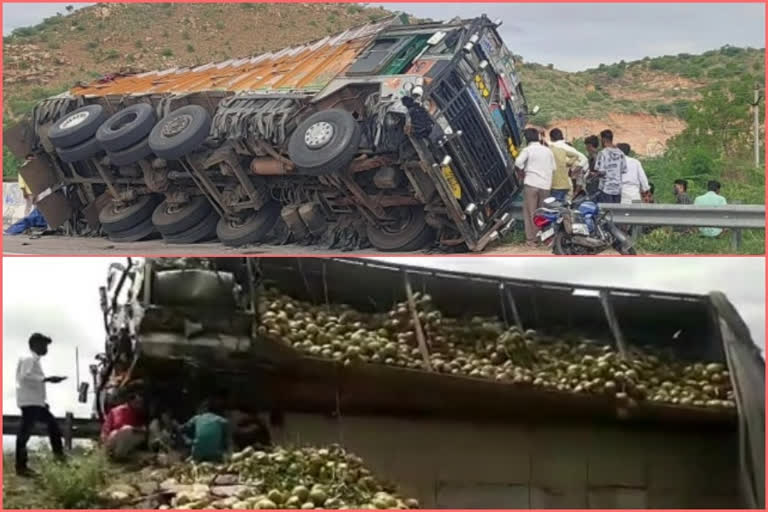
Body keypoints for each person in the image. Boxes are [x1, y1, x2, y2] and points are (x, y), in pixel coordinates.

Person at [15, 333, 67, 477]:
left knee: (52, 427)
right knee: (25, 434)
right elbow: (25, 377)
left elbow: (29, 381)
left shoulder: (32, 359)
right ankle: (21, 467)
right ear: (35, 344)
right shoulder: (29, 358)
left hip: (35, 403)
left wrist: (42, 402)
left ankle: (60, 459)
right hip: (30, 404)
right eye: (44, 345)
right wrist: (47, 379)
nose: (46, 348)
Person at [514, 127, 555, 246]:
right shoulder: (548, 151)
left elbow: (517, 162)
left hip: (531, 183)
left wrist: (521, 171)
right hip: (545, 185)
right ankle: (544, 238)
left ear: (527, 139)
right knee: (543, 213)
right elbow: (553, 168)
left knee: (530, 212)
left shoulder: (528, 150)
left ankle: (532, 240)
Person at [101, 393, 147, 461]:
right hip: (115, 438)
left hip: (132, 436)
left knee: (127, 430)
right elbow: (106, 429)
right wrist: (105, 440)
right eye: (137, 402)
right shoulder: (115, 411)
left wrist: (133, 429)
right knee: (116, 432)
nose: (139, 405)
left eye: (140, 403)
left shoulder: (140, 413)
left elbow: (145, 430)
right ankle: (116, 455)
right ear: (130, 401)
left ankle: (119, 456)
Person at [549, 128, 588, 200]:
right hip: (568, 183)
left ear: (551, 138)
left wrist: (574, 172)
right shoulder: (568, 147)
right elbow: (584, 159)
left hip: (559, 183)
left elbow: (584, 159)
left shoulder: (554, 146)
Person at [594, 129, 626, 203]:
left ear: (604, 139)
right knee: (616, 212)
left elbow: (601, 171)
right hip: (618, 189)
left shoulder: (602, 153)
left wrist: (595, 175)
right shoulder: (621, 153)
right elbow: (624, 170)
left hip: (606, 188)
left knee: (607, 211)